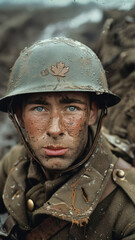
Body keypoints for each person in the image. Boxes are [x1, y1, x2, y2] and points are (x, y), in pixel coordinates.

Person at [0, 37, 135, 240]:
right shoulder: (14, 162)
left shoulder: (127, 210)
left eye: (72, 108)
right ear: (19, 115)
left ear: (92, 113)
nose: (55, 129)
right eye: (39, 108)